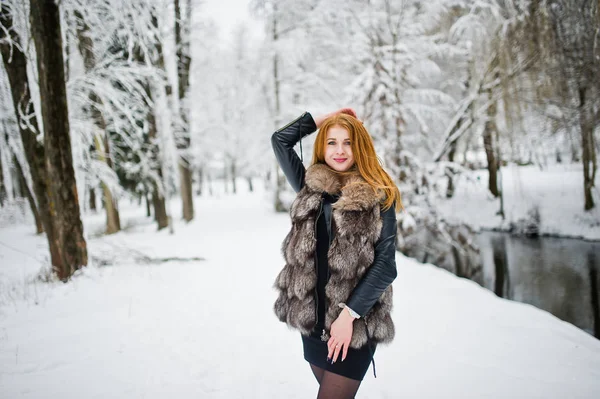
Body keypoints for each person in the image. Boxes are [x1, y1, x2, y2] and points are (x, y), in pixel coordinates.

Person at [271, 108, 402, 398]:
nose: (340, 150)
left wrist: (348, 317)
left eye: (348, 142)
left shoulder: (379, 193)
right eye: (331, 142)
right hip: (312, 321)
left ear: (360, 146)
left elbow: (386, 264)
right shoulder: (310, 187)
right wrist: (328, 117)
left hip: (354, 327)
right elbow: (280, 140)